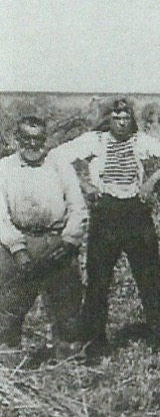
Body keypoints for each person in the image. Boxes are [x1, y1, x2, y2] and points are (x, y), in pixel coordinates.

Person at [51, 97, 160, 356]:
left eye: (126, 118)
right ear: (107, 119)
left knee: (150, 278)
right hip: (106, 214)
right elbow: (57, 157)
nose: (122, 123)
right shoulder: (95, 141)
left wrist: (151, 182)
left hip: (136, 213)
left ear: (132, 120)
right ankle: (94, 342)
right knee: (98, 280)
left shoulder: (140, 141)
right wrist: (85, 185)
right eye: (116, 117)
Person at [0, 116, 88, 365]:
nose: (32, 144)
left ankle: (68, 354)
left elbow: (78, 208)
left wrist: (68, 242)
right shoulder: (4, 167)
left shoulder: (60, 165)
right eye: (26, 138)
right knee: (9, 302)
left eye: (38, 139)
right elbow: (0, 215)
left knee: (67, 302)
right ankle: (7, 354)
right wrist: (18, 249)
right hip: (18, 241)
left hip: (56, 239)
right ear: (17, 139)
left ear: (45, 140)